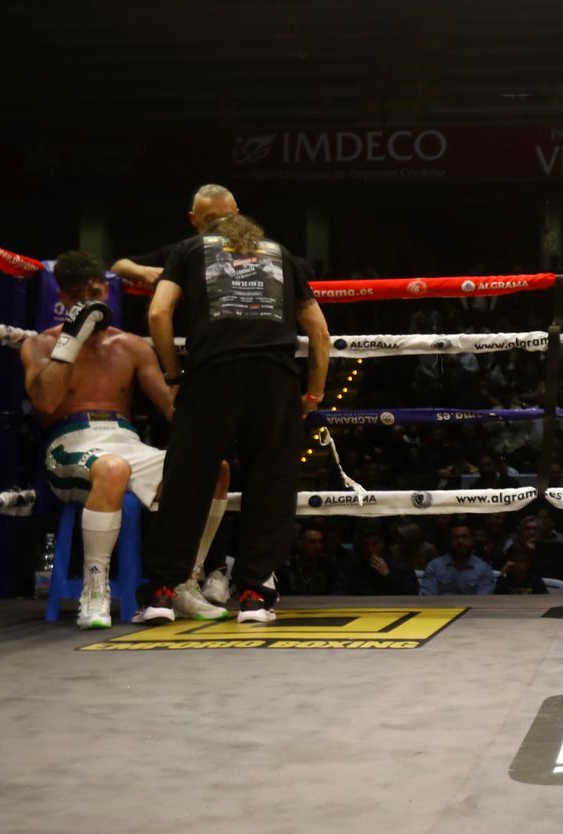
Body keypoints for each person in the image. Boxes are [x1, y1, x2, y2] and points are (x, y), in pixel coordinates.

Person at [21, 250, 231, 627]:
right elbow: (45, 403)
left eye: (96, 292)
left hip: (126, 440)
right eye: (81, 296)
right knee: (113, 469)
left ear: (107, 291)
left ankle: (185, 581)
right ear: (64, 299)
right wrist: (72, 339)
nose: (92, 303)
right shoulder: (40, 345)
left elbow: (173, 410)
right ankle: (95, 590)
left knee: (214, 469)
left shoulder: (132, 346)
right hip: (69, 442)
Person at [139, 214, 331, 624]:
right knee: (271, 482)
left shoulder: (189, 250)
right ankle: (253, 595)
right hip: (274, 377)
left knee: (186, 480)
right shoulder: (283, 255)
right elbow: (318, 332)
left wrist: (173, 375)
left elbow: (158, 314)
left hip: (212, 374)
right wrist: (313, 392)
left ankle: (161, 593)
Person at [109, 184, 239, 285]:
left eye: (228, 218)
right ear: (194, 219)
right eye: (210, 219)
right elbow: (118, 267)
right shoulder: (180, 252)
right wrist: (145, 272)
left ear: (237, 215)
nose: (220, 225)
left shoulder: (253, 252)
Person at [333, 524, 419, 595]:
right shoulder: (351, 566)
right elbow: (339, 590)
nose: (370, 549)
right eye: (365, 545)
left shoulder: (399, 566)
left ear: (383, 544)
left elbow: (412, 592)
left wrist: (388, 575)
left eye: (374, 544)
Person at [419, 523, 496, 595]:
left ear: (472, 541)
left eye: (464, 537)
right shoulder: (435, 566)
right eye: (455, 538)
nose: (460, 541)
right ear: (449, 541)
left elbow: (483, 602)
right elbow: (427, 599)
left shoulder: (484, 569)